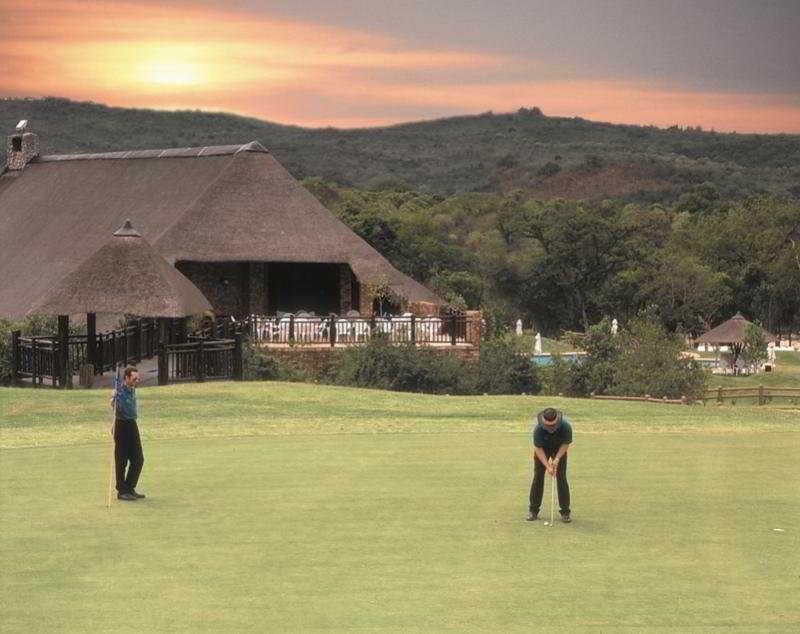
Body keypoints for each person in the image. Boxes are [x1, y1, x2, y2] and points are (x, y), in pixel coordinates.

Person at [527, 407, 572, 522]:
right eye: (548, 426)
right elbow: (538, 448)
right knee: (538, 477)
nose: (551, 429)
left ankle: (565, 512)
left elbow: (565, 444)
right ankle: (533, 510)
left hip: (559, 449)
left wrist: (557, 459)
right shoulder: (538, 429)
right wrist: (547, 466)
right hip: (543, 449)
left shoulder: (566, 427)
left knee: (561, 478)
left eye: (553, 426)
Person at [112, 365, 145, 501]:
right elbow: (115, 407)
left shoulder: (132, 389)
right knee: (122, 460)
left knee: (138, 459)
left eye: (138, 379)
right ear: (126, 378)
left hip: (132, 424)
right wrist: (113, 399)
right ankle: (122, 491)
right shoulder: (119, 391)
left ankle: (130, 487)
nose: (137, 381)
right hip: (121, 425)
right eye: (134, 379)